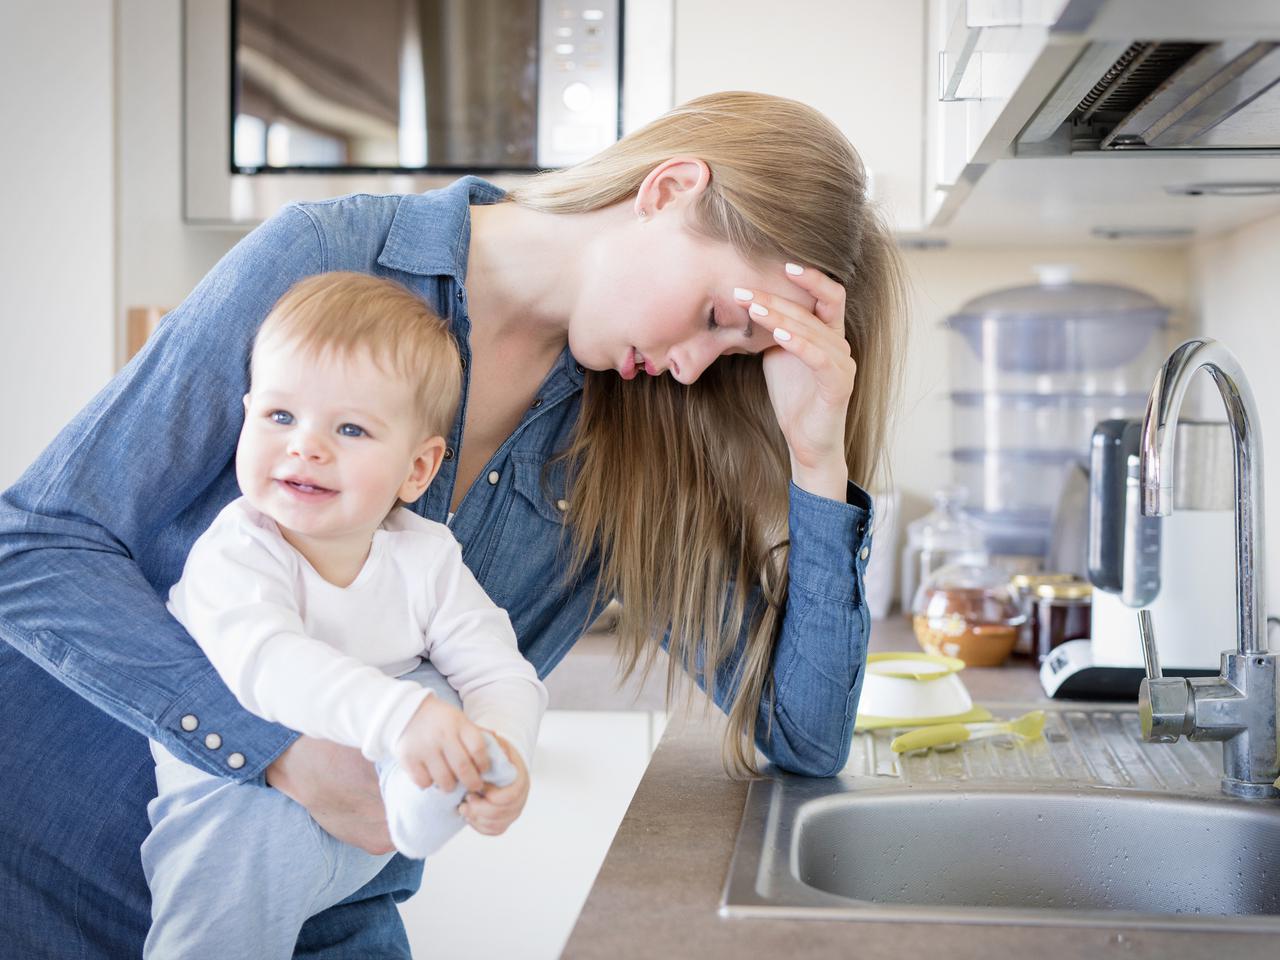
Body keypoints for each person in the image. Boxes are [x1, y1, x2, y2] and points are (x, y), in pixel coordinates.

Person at [0, 91, 906, 957]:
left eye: (732, 352)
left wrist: (817, 462)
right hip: (52, 875)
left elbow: (805, 739)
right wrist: (279, 756)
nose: (692, 364)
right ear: (667, 190)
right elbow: (37, 547)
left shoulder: (645, 444)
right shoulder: (328, 258)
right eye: (714, 318)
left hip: (326, 918)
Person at [141, 272, 547, 959]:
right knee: (215, 937)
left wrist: (501, 752)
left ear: (417, 469)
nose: (306, 446)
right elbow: (266, 667)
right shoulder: (239, 549)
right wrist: (400, 721)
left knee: (441, 689)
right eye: (279, 417)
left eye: (351, 428)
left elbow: (500, 669)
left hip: (364, 814)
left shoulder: (426, 558)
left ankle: (427, 796)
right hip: (238, 805)